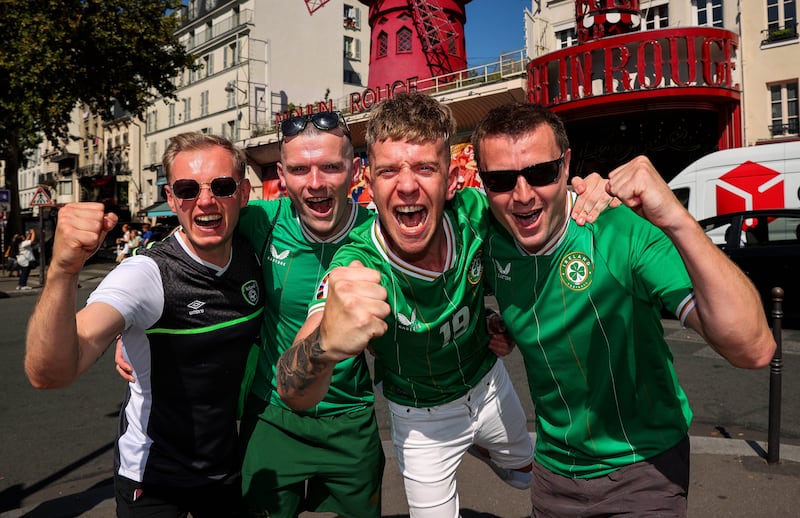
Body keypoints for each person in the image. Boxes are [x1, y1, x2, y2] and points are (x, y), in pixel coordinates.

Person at [470, 102, 776, 516]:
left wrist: (675, 217)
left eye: (541, 173)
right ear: (483, 183)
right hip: (553, 473)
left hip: (642, 468)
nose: (522, 195)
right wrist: (497, 322)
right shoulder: (491, 236)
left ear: (566, 165)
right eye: (501, 180)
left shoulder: (620, 228)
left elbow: (753, 349)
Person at [277, 92, 537, 518]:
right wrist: (324, 345)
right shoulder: (356, 263)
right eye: (389, 170)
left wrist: (592, 191)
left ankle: (483, 447)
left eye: (425, 168)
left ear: (452, 180)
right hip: (422, 419)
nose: (408, 185)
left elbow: (547, 208)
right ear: (370, 184)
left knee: (524, 473)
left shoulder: (476, 213)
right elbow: (293, 391)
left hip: (489, 384)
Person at [25, 132, 263, 518]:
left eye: (221, 186)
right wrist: (63, 271)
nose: (205, 200)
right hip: (152, 477)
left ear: (244, 193)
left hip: (224, 467)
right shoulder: (147, 274)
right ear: (171, 199)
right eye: (187, 188)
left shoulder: (253, 252)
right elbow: (50, 373)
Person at [234, 111, 386, 517]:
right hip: (271, 417)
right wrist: (136, 324)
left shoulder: (380, 232)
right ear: (282, 175)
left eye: (330, 167)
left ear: (355, 171)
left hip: (349, 421)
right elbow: (185, 243)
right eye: (300, 169)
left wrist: (578, 194)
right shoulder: (263, 221)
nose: (315, 183)